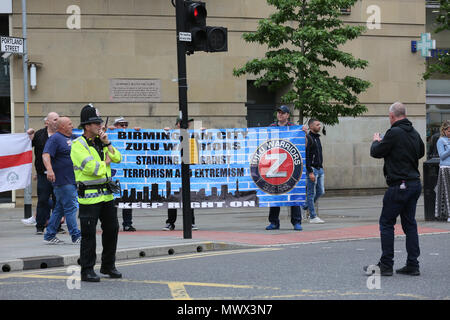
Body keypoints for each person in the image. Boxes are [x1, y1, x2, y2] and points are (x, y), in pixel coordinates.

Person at [366, 102, 425, 276]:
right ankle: (413, 264)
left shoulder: (393, 133)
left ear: (392, 116)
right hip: (414, 183)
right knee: (409, 224)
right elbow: (421, 152)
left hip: (400, 184)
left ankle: (386, 265)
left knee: (386, 223)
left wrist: (376, 140)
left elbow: (376, 152)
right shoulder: (414, 133)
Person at [71, 104, 123, 282]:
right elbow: (90, 168)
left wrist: (107, 143)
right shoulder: (78, 145)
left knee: (112, 230)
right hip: (89, 198)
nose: (100, 126)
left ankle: (108, 266)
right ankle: (86, 270)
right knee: (88, 235)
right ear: (87, 126)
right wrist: (105, 163)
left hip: (107, 196)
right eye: (96, 123)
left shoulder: (101, 142)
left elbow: (118, 158)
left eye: (100, 122)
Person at [42, 117, 81, 244]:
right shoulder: (55, 138)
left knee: (60, 209)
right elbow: (45, 154)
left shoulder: (72, 137)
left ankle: (49, 235)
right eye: (69, 124)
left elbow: (87, 138)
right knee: (71, 207)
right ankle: (76, 236)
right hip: (63, 180)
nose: (72, 125)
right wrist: (50, 169)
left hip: (71, 179)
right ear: (62, 127)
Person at [265, 105, 303, 231]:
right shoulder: (271, 127)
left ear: (287, 115)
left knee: (293, 194)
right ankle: (274, 222)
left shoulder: (294, 128)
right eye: (279, 113)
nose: (280, 115)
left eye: (283, 113)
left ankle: (297, 221)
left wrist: (304, 134)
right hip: (274, 166)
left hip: (290, 165)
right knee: (275, 195)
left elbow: (303, 145)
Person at [26, 112, 64, 234]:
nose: (56, 121)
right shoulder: (39, 135)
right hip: (43, 173)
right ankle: (40, 226)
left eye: (58, 119)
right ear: (47, 122)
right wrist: (28, 136)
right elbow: (27, 146)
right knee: (43, 199)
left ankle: (56, 226)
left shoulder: (61, 135)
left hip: (58, 173)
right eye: (54, 119)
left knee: (58, 200)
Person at [163, 117, 198, 231]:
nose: (188, 124)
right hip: (174, 170)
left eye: (188, 123)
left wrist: (203, 132)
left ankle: (190, 222)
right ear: (178, 124)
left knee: (188, 196)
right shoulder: (171, 135)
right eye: (185, 122)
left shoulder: (192, 135)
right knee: (173, 197)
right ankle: (170, 222)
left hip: (187, 169)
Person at [108, 116, 141, 232]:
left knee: (127, 199)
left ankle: (127, 223)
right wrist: (108, 129)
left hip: (127, 173)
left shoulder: (130, 136)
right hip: (114, 172)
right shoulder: (109, 134)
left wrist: (138, 132)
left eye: (126, 125)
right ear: (116, 126)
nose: (125, 127)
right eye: (122, 125)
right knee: (113, 200)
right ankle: (113, 224)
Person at [303, 118, 325, 224]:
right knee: (311, 193)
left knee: (321, 191)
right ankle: (312, 216)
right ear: (311, 126)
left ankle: (304, 206)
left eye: (319, 124)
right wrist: (310, 171)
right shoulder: (308, 138)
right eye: (317, 125)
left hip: (320, 169)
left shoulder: (317, 138)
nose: (319, 126)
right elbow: (306, 156)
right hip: (312, 169)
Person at [435, 120, 450, 222]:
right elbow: (441, 156)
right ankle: (448, 215)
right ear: (444, 130)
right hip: (446, 168)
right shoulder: (440, 141)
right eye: (449, 131)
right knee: (447, 193)